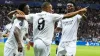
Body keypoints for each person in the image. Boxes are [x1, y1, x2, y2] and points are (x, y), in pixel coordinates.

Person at [16, 2, 87, 56]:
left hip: (36, 43)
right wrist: (79, 11)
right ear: (47, 8)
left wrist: (17, 12)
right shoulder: (51, 16)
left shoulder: (34, 15)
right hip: (44, 43)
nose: (52, 10)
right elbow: (67, 16)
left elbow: (18, 16)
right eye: (51, 8)